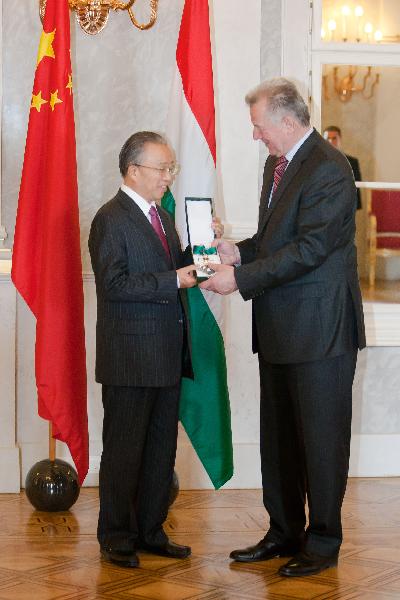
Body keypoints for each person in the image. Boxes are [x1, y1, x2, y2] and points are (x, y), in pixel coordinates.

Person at [201, 79, 366, 577]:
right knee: (280, 442)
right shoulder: (280, 165)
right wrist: (239, 251)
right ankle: (284, 531)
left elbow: (312, 248)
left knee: (320, 441)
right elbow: (279, 240)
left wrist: (242, 278)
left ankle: (322, 542)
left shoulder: (329, 168)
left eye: (258, 125)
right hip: (279, 327)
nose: (255, 136)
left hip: (320, 331)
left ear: (287, 121)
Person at [89, 131, 198, 568]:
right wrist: (174, 280)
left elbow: (170, 266)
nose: (169, 177)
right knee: (124, 450)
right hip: (130, 359)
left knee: (159, 450)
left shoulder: (161, 217)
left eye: (171, 168)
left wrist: (202, 252)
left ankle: (151, 530)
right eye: (162, 168)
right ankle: (116, 536)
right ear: (133, 170)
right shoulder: (110, 219)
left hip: (167, 354)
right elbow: (113, 286)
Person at [323, 125, 362, 210]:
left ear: (340, 139)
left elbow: (356, 189)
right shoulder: (316, 161)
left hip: (345, 209)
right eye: (327, 138)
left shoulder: (352, 162)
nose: (330, 141)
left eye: (334, 138)